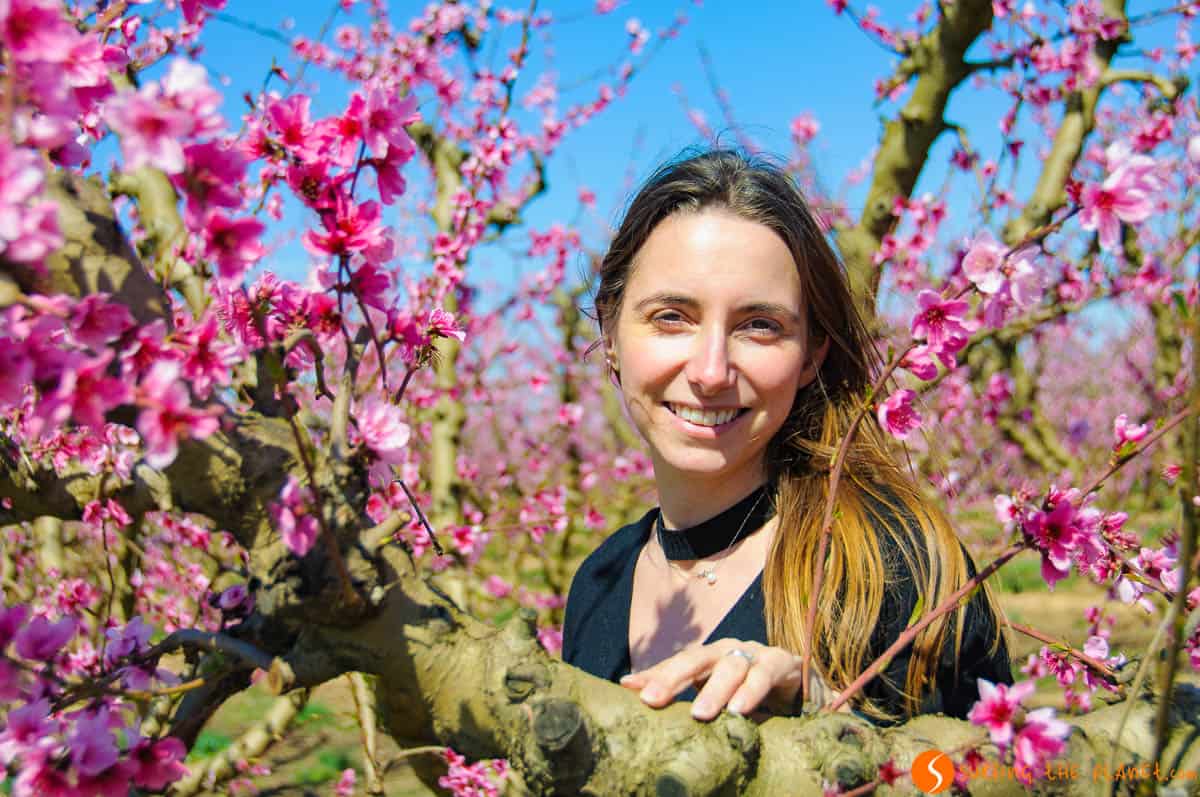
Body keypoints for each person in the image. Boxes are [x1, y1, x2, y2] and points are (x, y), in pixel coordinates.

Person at [561, 149, 1011, 725]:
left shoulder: (892, 566)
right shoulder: (598, 582)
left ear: (810, 355)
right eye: (672, 316)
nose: (710, 371)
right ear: (611, 333)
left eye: (759, 325)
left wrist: (825, 712)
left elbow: (986, 775)